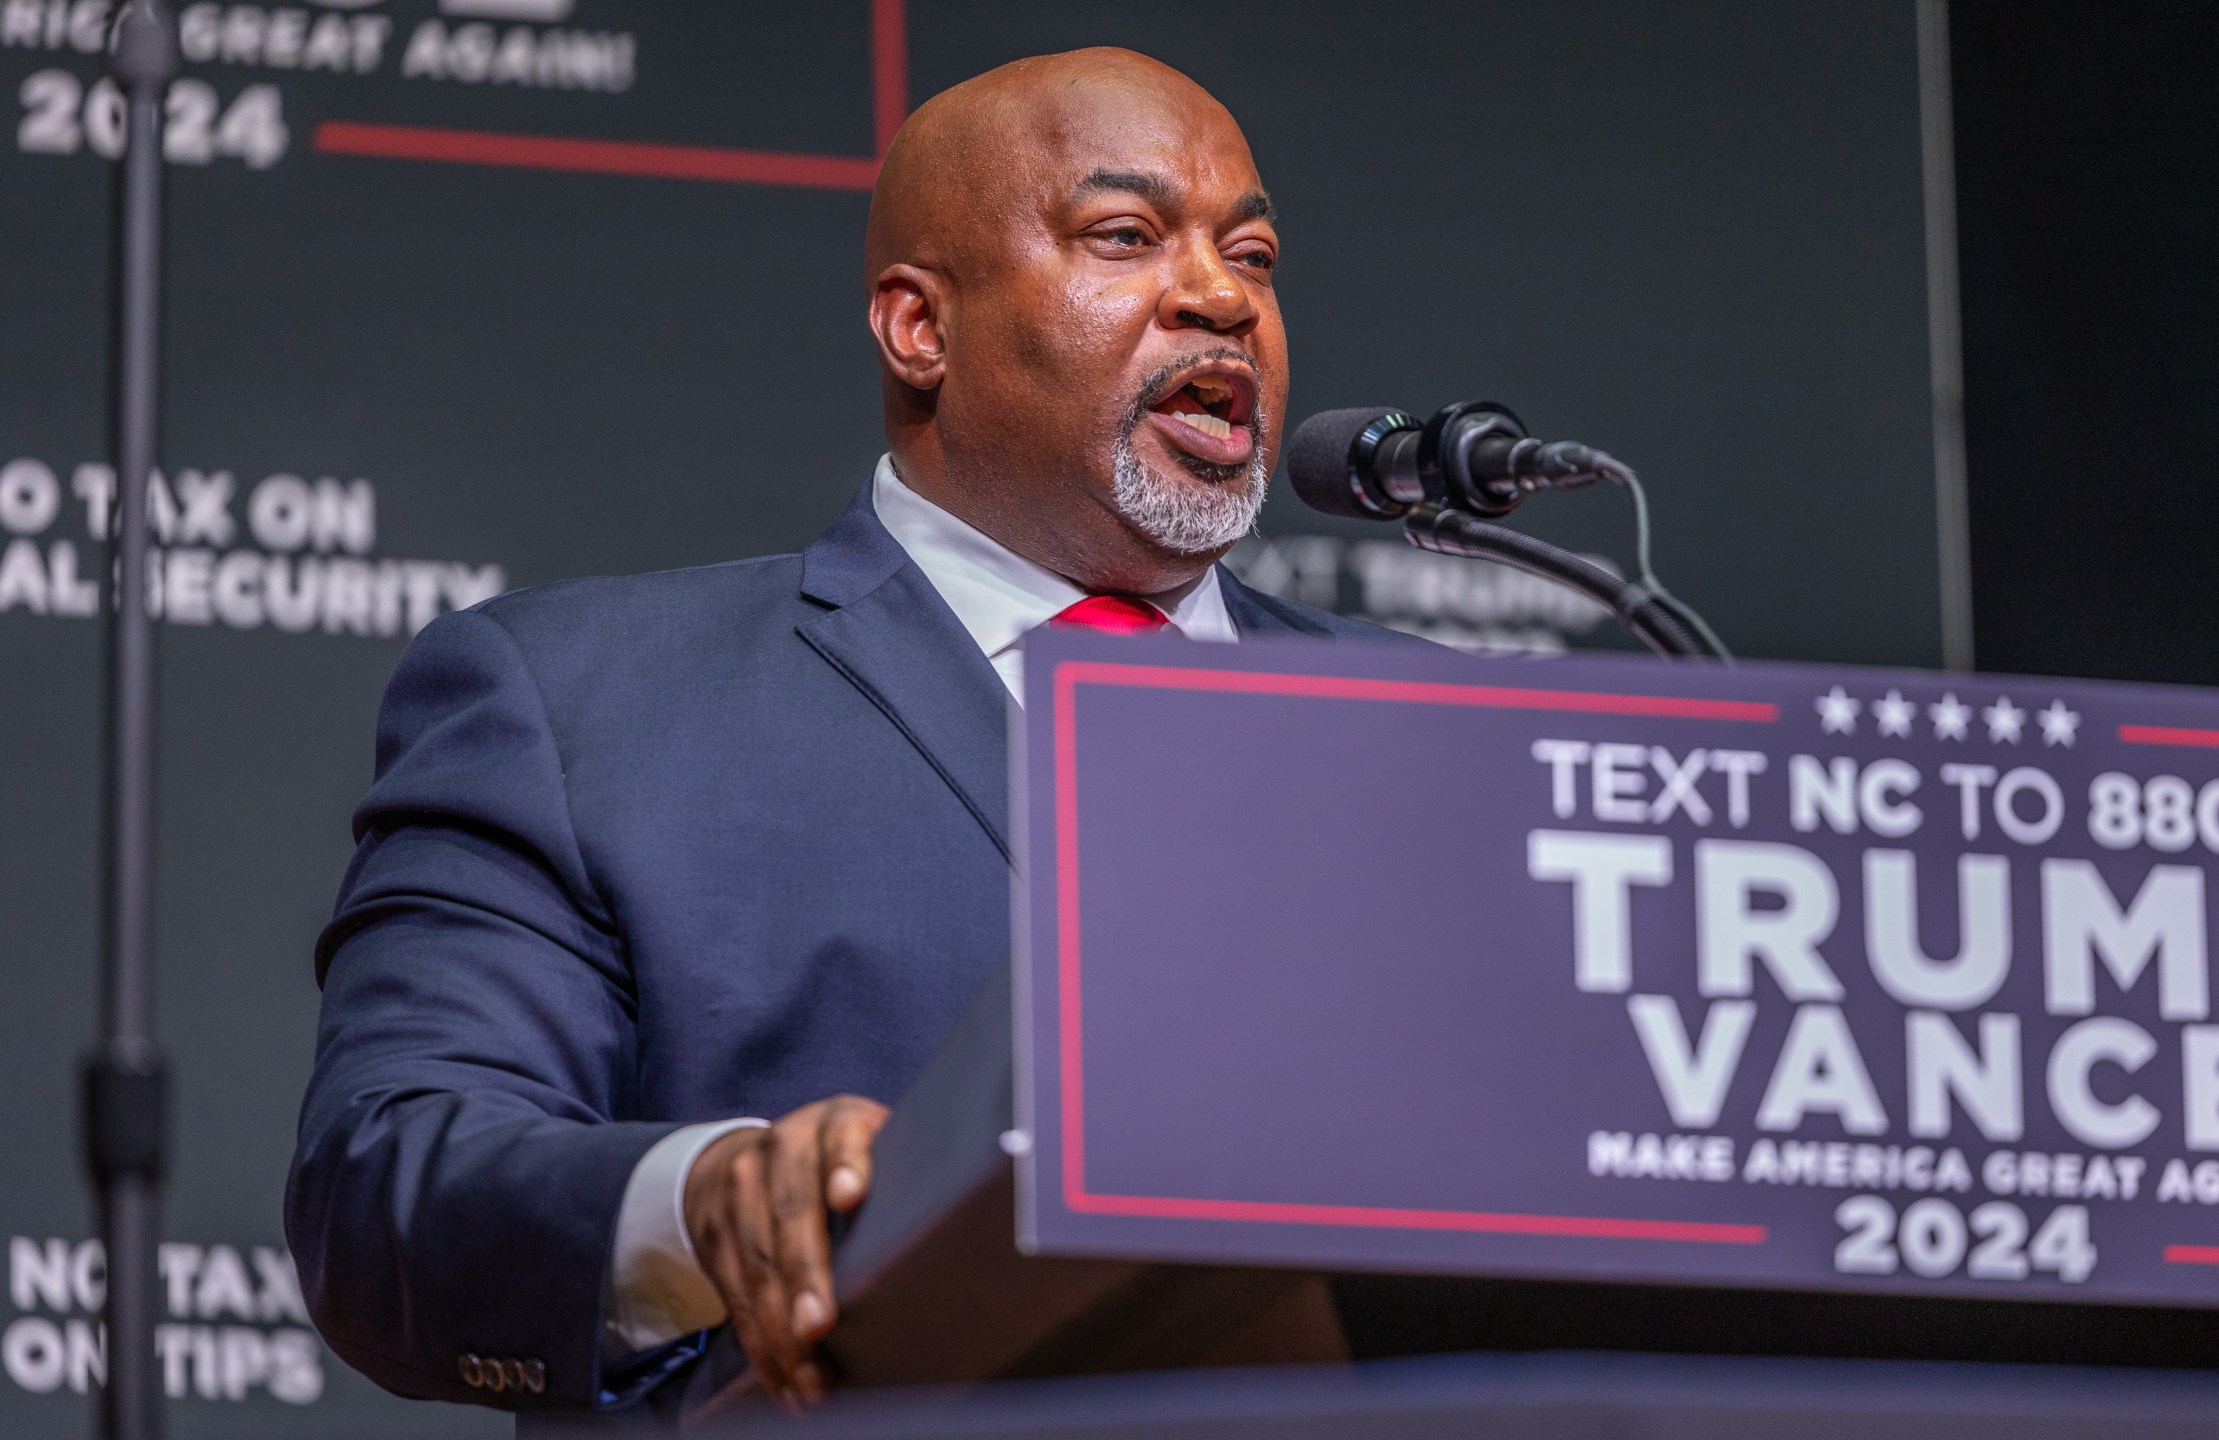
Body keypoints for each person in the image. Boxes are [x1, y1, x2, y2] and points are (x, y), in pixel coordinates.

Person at [286, 47, 1415, 1426]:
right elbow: (388, 1189)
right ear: (917, 329)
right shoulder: (580, 705)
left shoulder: (1435, 736)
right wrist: (700, 1203)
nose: (1223, 295)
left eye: (1253, 253)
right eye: (1124, 237)